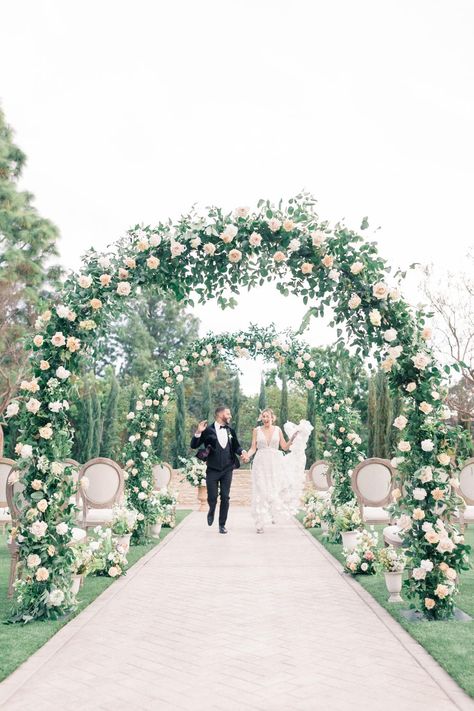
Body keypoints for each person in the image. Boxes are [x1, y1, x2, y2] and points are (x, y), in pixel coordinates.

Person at [190, 406, 248, 534]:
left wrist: (242, 452)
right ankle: (211, 509)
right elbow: (193, 445)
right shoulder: (208, 430)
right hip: (212, 469)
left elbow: (236, 447)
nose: (230, 416)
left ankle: (222, 524)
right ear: (220, 414)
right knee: (212, 496)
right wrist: (198, 432)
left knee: (225, 497)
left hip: (228, 468)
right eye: (228, 413)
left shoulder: (230, 431)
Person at [246, 408, 298, 533]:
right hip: (261, 463)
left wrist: (293, 439)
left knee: (276, 489)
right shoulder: (256, 430)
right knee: (261, 491)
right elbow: (253, 448)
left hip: (276, 463)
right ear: (261, 418)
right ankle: (260, 523)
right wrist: (247, 455)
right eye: (263, 416)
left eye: (267, 416)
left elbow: (284, 447)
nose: (265, 418)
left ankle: (274, 513)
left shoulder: (278, 429)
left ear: (272, 417)